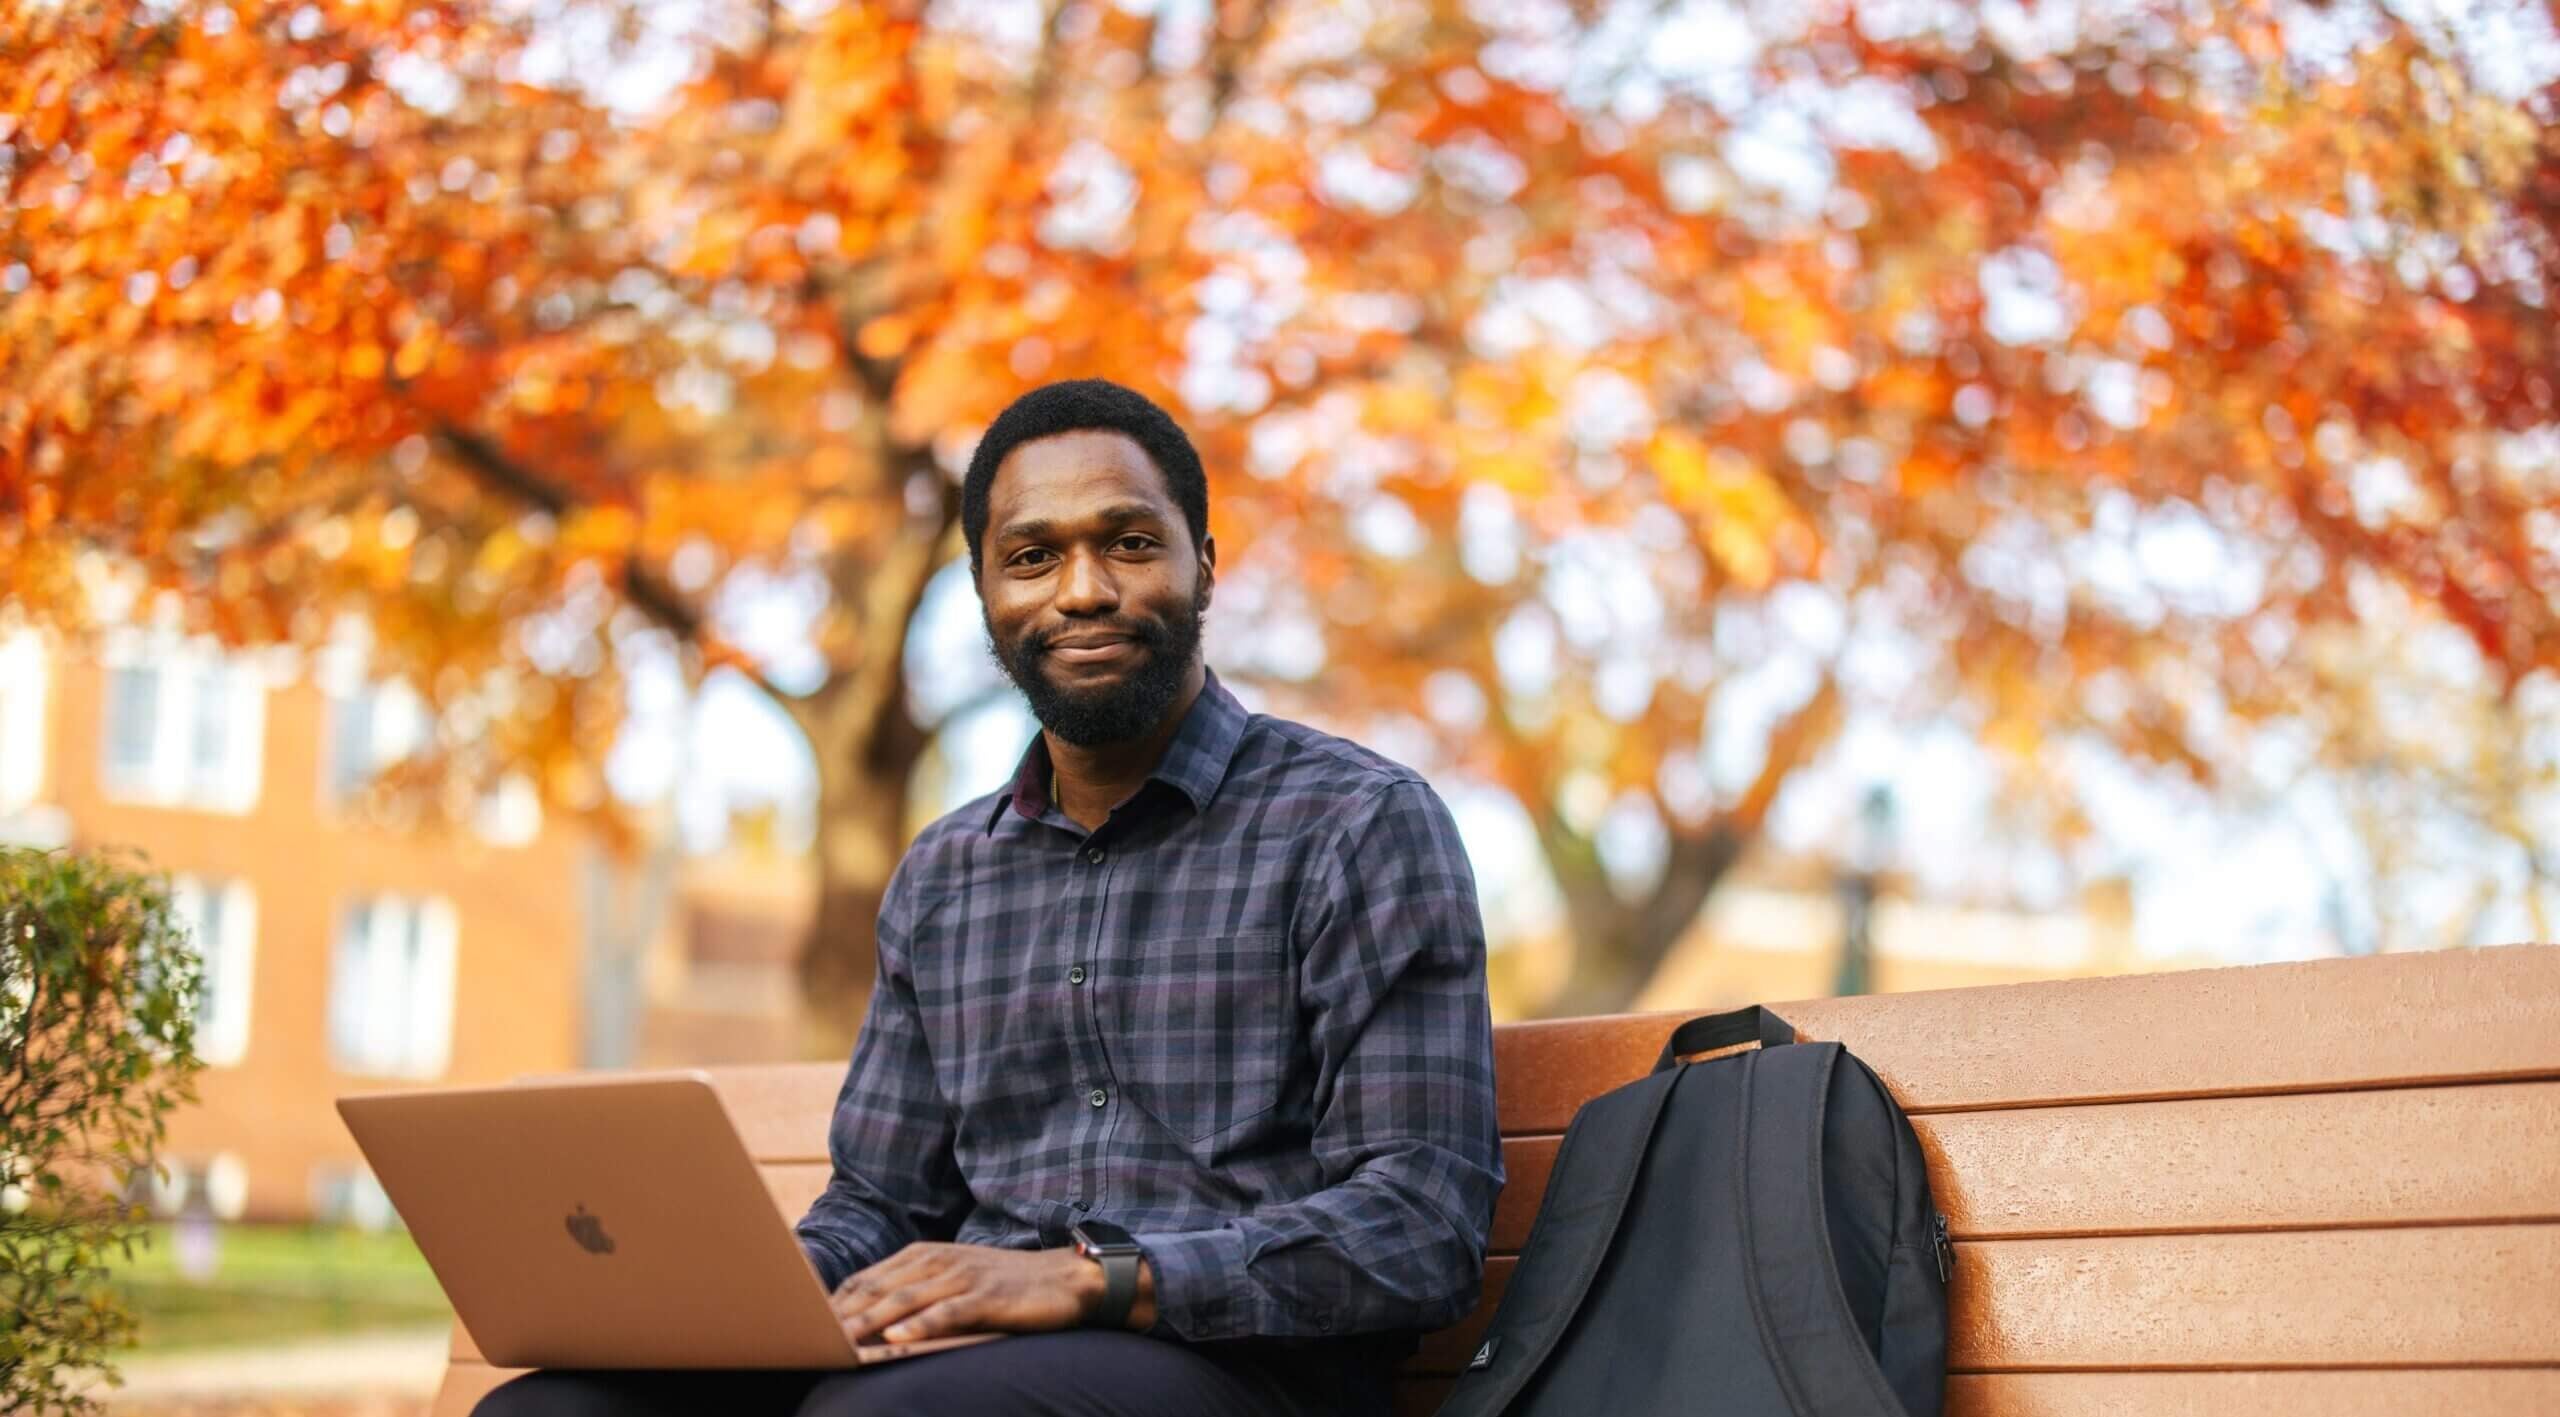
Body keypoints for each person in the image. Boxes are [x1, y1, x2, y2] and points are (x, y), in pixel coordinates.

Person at [476, 379, 1504, 1416]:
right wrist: (748, 1301)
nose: (1083, 589)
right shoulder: (945, 874)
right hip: (961, 1360)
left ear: (1204, 566)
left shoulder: (1357, 825)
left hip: (1243, 1367)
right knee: (549, 1411)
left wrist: (1083, 1280)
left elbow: (1417, 1223)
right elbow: (883, 1201)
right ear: (983, 592)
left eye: (1131, 543)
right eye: (1032, 556)